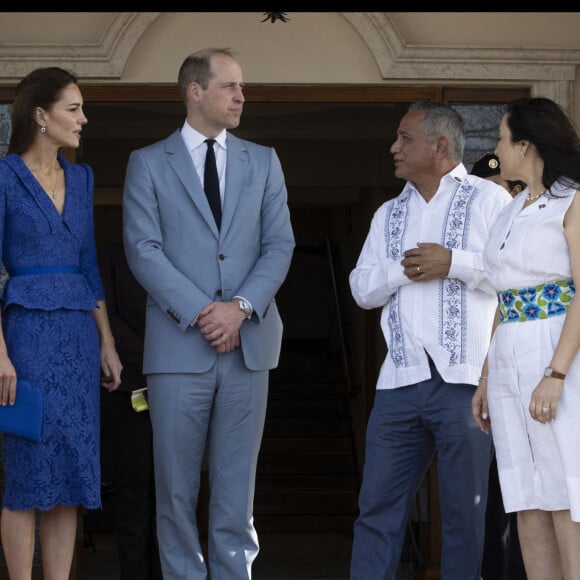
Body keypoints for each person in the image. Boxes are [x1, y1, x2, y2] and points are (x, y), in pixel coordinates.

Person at [122, 47, 295, 579]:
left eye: (242, 88)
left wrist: (238, 309)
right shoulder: (148, 162)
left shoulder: (263, 160)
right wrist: (205, 312)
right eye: (230, 87)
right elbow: (142, 249)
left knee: (236, 488)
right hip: (178, 350)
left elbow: (279, 246)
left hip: (249, 347)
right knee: (175, 489)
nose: (242, 96)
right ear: (195, 91)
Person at [349, 100, 513, 580]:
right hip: (398, 382)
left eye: (404, 138)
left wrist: (452, 263)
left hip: (466, 383)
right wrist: (403, 268)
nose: (393, 147)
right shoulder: (387, 214)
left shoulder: (490, 200)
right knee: (377, 510)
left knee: (465, 514)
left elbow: (513, 276)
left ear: (440, 146)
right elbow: (360, 289)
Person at [0, 67, 122, 579]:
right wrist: (0, 354)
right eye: (73, 109)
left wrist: (107, 343)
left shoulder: (83, 176)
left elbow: (88, 264)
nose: (83, 118)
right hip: (24, 340)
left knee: (71, 477)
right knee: (26, 476)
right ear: (40, 116)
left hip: (77, 338)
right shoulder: (4, 176)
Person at [472, 96, 580, 580]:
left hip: (557, 353)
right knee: (524, 494)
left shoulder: (573, 200)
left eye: (501, 137)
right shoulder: (510, 209)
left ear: (525, 144)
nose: (497, 146)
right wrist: (484, 378)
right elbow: (503, 297)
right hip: (509, 355)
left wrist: (556, 373)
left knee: (565, 490)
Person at [470, 152, 528, 580]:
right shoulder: (482, 236)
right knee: (492, 501)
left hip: (533, 372)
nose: (505, 198)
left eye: (510, 190)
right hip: (482, 381)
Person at [97, 241, 163, 580]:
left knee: (173, 497)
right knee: (133, 498)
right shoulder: (112, 255)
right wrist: (164, 356)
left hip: (178, 393)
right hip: (129, 392)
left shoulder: (181, 251)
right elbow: (106, 320)